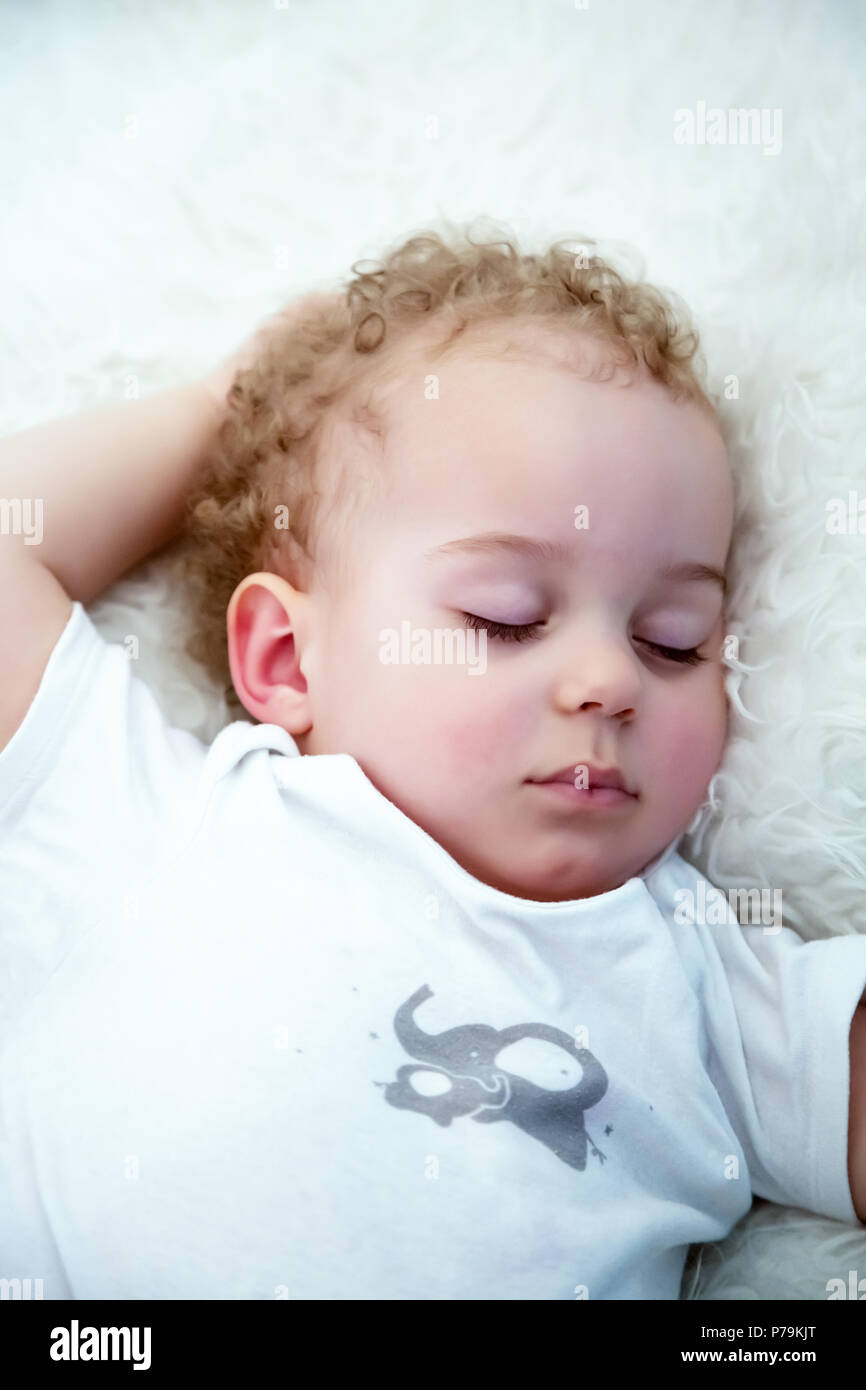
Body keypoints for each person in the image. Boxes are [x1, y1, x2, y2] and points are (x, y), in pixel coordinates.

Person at [1, 223, 864, 1300]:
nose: (610, 679)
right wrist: (220, 407)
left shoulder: (704, 982)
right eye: (506, 617)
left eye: (672, 639)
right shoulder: (169, 818)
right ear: (285, 657)